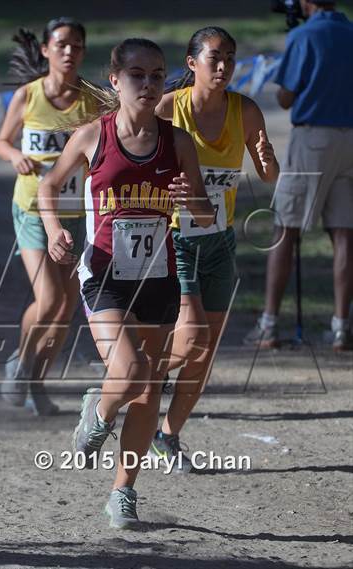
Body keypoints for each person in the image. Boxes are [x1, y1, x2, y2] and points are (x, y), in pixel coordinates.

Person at [38, 38, 215, 528]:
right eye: (138, 74)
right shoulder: (95, 136)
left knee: (148, 389)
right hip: (104, 273)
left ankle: (123, 492)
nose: (149, 83)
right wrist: (55, 230)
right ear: (116, 81)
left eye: (157, 75)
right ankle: (98, 411)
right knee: (132, 369)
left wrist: (188, 198)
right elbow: (50, 186)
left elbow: (202, 211)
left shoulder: (177, 141)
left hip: (157, 277)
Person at [151, 26, 279, 471]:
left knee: (204, 353)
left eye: (230, 57)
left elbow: (269, 176)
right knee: (192, 340)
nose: (223, 66)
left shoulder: (245, 111)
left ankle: (167, 435)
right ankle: (131, 381)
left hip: (220, 242)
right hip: (175, 239)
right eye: (213, 58)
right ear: (192, 64)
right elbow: (137, 163)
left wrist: (266, 159)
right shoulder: (169, 108)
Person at [0, 17, 98, 415]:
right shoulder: (28, 96)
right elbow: (1, 142)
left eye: (76, 46)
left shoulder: (92, 101)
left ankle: (34, 382)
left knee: (66, 310)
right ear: (45, 50)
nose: (69, 52)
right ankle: (20, 365)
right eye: (61, 45)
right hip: (33, 209)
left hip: (75, 214)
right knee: (50, 298)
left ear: (83, 52)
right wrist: (16, 154)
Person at [244, 0, 353, 351]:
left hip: (313, 138)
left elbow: (287, 97)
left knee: (285, 228)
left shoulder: (304, 36)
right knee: (343, 230)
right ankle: (341, 325)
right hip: (350, 138)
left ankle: (269, 323)